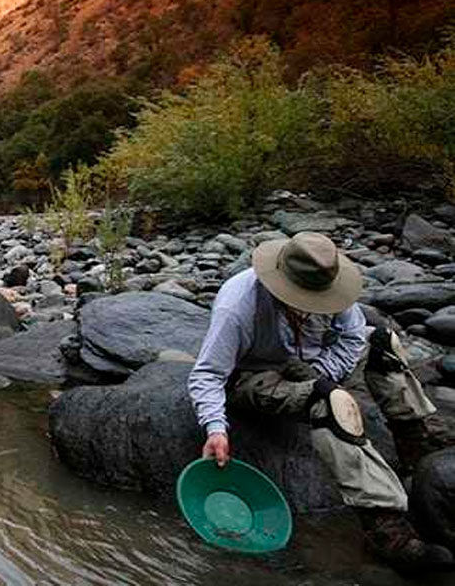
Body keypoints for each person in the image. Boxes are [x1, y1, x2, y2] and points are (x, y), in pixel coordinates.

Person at [187, 231, 455, 571]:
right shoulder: (237, 306)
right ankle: (384, 524)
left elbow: (354, 336)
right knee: (332, 401)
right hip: (255, 378)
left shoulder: (330, 282)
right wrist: (215, 429)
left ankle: (414, 449)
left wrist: (320, 371)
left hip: (309, 367)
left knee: (384, 343)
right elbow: (208, 375)